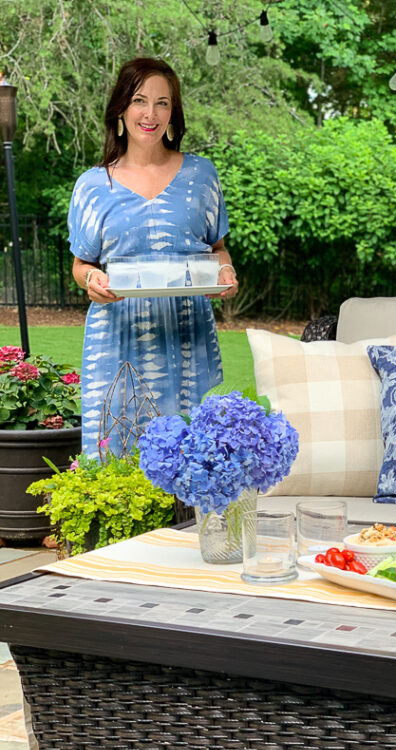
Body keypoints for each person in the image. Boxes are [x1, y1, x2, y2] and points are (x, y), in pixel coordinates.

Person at [68, 57, 238, 457]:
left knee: (195, 462)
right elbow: (81, 265)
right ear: (121, 110)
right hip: (117, 337)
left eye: (162, 103)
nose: (150, 113)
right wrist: (92, 281)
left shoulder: (201, 175)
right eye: (140, 100)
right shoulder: (94, 185)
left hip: (187, 339)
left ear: (172, 113)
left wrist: (226, 270)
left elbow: (218, 250)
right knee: (117, 464)